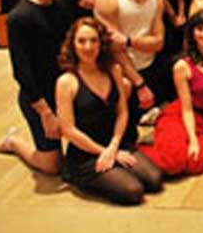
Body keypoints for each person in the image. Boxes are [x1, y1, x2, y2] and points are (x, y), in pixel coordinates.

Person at [55, 18, 163, 204]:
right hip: (86, 153)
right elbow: (69, 130)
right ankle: (77, 176)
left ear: (101, 43)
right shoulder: (66, 82)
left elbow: (122, 112)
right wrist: (103, 152)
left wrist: (113, 147)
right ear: (73, 44)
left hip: (116, 143)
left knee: (155, 180)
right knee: (133, 191)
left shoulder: (114, 70)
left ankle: (116, 167)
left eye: (93, 40)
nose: (88, 47)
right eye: (82, 41)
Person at [0, 0, 71, 175]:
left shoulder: (60, 7)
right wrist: (46, 113)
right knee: (52, 166)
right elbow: (22, 73)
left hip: (63, 91)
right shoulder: (19, 17)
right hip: (38, 98)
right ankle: (13, 142)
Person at [140, 11, 203, 176]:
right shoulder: (183, 66)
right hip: (181, 116)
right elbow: (186, 108)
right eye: (199, 29)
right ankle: (136, 151)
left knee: (195, 162)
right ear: (192, 33)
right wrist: (193, 139)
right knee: (173, 162)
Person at [94, 0, 167, 129]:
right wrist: (139, 84)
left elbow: (159, 42)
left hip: (149, 66)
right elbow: (114, 49)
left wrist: (128, 40)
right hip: (121, 73)